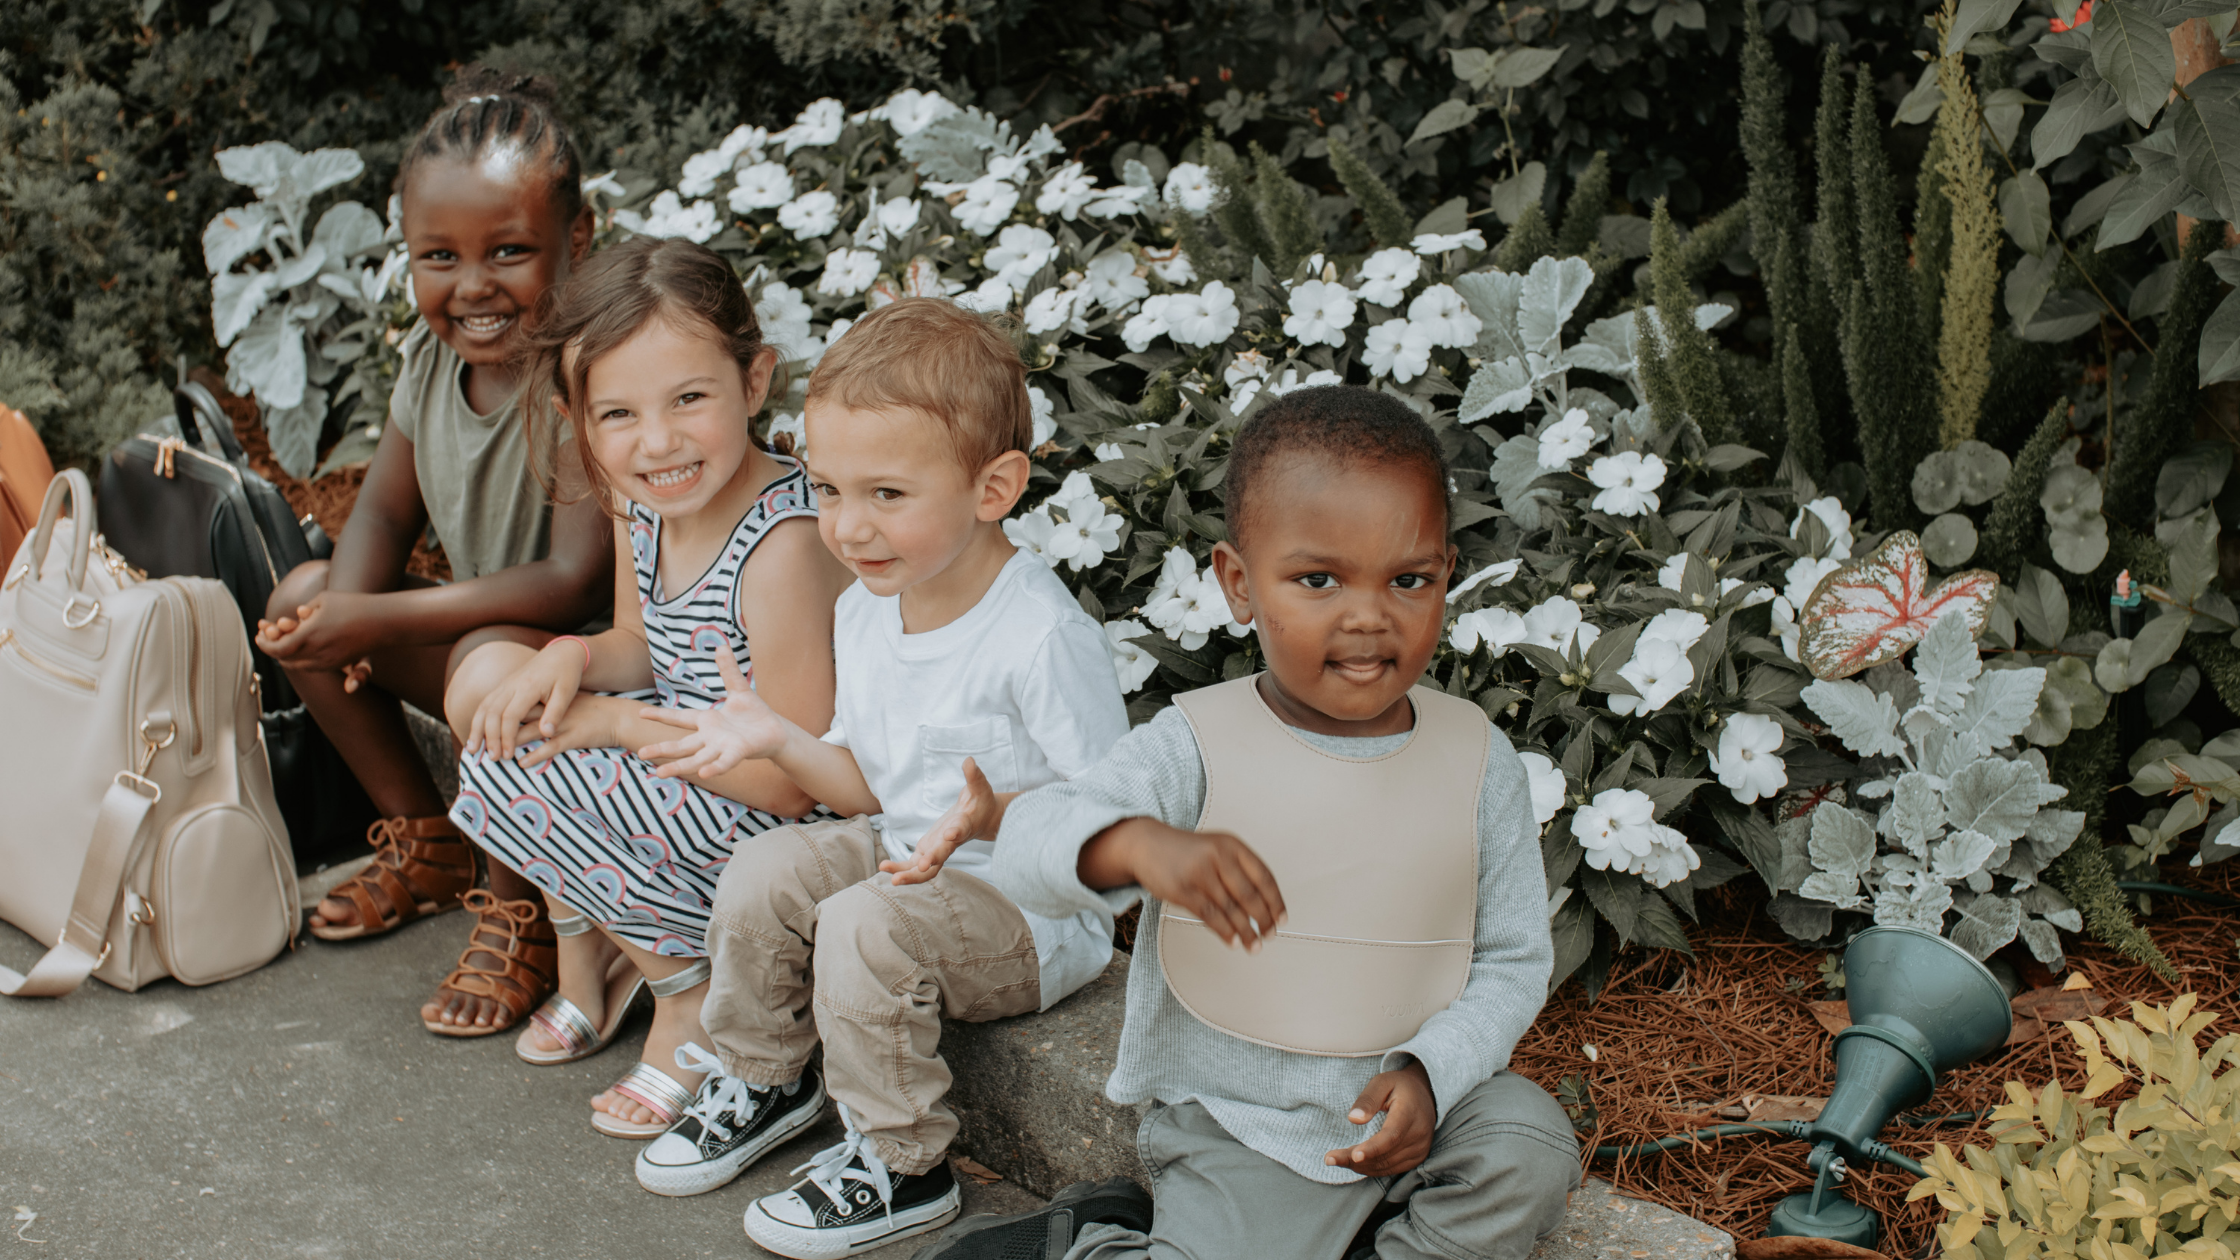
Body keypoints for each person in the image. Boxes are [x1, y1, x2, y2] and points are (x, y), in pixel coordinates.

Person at [924, 386, 1581, 1260]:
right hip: (1251, 1127)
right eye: (1318, 579)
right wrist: (1131, 843)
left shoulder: (1476, 757)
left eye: (1409, 579)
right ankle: (1083, 1245)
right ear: (1238, 582)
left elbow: (1510, 960)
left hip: (1425, 1108)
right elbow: (1038, 839)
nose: (1367, 615)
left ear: (1446, 577)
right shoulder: (1196, 745)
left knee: (1530, 1145)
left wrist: (1430, 1072)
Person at [621, 298, 1141, 1256]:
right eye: (828, 489)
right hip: (907, 859)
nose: (848, 527)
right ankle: (768, 1078)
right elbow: (865, 787)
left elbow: (1119, 832)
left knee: (862, 923)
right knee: (766, 870)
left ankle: (904, 1165)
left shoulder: (1038, 635)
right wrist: (776, 737)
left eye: (887, 495)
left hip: (1029, 913)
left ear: (995, 487)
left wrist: (1009, 810)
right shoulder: (869, 606)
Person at [441, 235, 853, 1139]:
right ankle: (590, 952)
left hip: (760, 819)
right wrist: (570, 662)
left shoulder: (783, 547)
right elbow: (638, 640)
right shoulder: (643, 503)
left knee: (521, 757)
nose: (657, 441)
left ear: (754, 382)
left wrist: (615, 727)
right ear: (577, 417)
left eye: (690, 399)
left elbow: (791, 783)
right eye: (618, 414)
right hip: (679, 778)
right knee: (489, 688)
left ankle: (682, 989)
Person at [253, 68, 615, 1039]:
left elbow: (570, 580)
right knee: (305, 590)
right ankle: (430, 843)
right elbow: (378, 515)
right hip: (484, 646)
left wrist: (373, 619)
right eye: (438, 258)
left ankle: (522, 913)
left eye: (508, 251)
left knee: (480, 656)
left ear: (574, 242)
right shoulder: (430, 362)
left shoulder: (579, 375)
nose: (472, 287)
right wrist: (340, 617)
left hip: (593, 671)